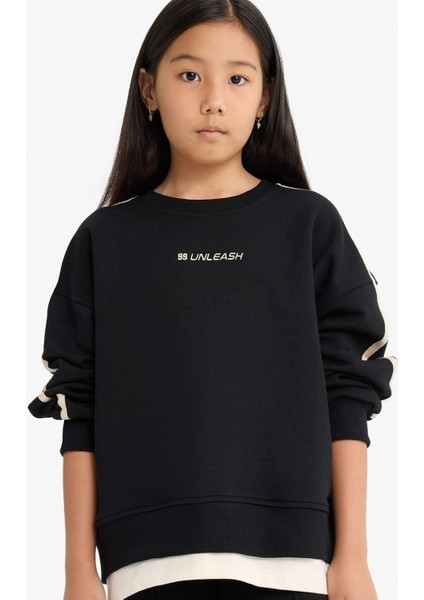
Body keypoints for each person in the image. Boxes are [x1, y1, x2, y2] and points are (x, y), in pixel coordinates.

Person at [27, 1, 397, 599]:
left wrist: (352, 559)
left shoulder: (309, 226)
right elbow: (78, 410)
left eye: (238, 79)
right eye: (189, 74)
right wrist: (78, 572)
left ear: (265, 97)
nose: (213, 100)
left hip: (296, 566)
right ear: (149, 89)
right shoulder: (105, 241)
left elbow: (350, 393)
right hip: (143, 569)